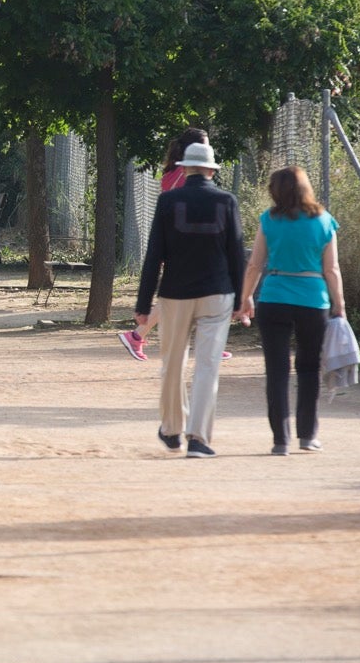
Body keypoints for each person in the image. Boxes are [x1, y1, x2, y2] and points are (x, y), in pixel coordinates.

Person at [134, 141, 246, 458]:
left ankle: (172, 430)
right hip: (217, 293)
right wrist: (241, 298)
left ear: (183, 169)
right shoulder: (227, 201)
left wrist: (144, 305)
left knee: (173, 364)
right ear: (211, 170)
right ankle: (199, 439)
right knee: (208, 366)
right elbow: (236, 254)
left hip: (176, 294)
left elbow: (154, 255)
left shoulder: (169, 201)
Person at [234, 166, 345, 455]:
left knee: (277, 371)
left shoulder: (269, 220)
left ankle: (280, 440)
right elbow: (331, 269)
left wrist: (245, 298)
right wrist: (339, 305)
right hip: (313, 300)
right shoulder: (324, 220)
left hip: (274, 297)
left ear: (276, 191)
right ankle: (308, 436)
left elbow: (255, 265)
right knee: (309, 369)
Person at [118, 127, 215, 362]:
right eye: (205, 144)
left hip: (177, 243)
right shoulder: (187, 174)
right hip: (185, 245)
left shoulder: (174, 171)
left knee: (182, 296)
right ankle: (138, 335)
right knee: (192, 294)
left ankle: (137, 336)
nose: (209, 149)